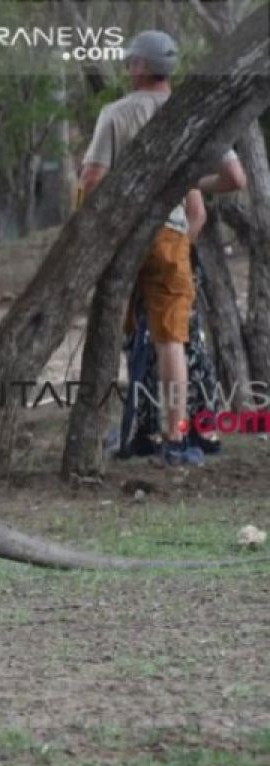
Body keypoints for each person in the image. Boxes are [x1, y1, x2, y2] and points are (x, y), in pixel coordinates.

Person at [80, 29, 246, 467]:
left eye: (128, 60)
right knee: (172, 341)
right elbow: (235, 179)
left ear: (138, 66)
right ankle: (175, 438)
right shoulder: (196, 116)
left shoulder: (116, 113)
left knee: (122, 334)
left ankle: (121, 432)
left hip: (123, 237)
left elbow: (92, 180)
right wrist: (189, 184)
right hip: (172, 236)